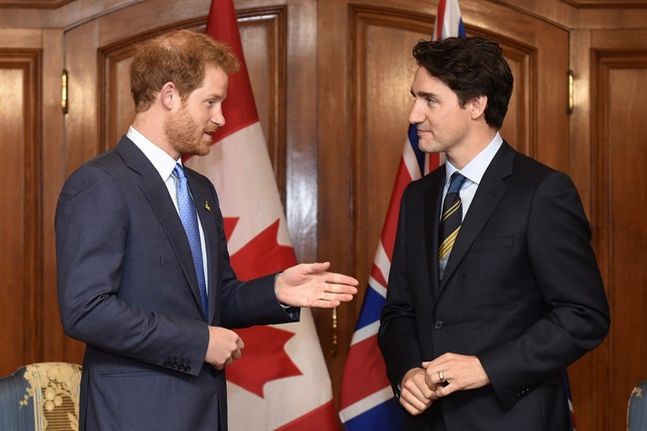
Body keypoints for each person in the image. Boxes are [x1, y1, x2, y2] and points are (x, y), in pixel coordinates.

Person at [55, 29, 358, 431]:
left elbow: (216, 299)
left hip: (205, 411)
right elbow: (86, 311)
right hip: (134, 415)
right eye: (211, 102)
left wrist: (276, 290)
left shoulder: (200, 190)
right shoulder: (101, 184)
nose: (220, 118)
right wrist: (199, 343)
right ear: (169, 96)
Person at [378, 37, 609, 430]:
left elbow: (584, 315)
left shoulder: (542, 192)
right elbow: (400, 310)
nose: (414, 114)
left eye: (430, 100)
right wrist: (408, 374)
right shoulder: (417, 197)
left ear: (475, 104)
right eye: (414, 98)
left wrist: (488, 368)